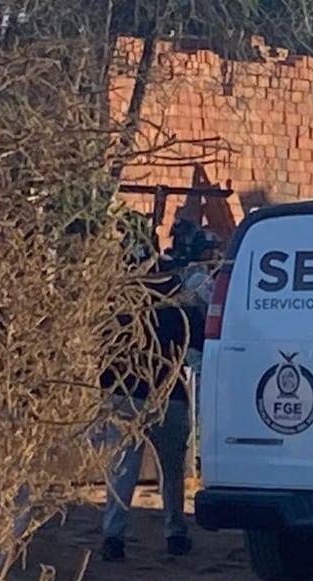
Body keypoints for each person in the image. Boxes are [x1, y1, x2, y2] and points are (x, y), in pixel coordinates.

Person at [97, 214, 215, 562]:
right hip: (167, 392)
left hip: (125, 391)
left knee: (123, 471)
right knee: (172, 471)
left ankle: (113, 537)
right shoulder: (175, 292)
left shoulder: (115, 300)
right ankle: (175, 532)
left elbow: (103, 348)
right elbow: (194, 337)